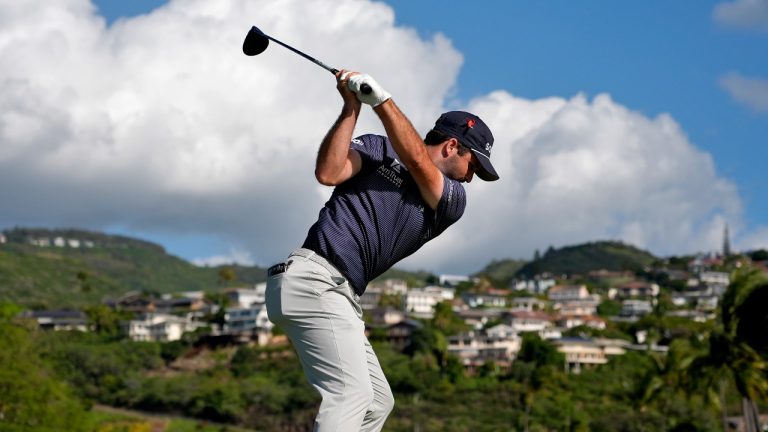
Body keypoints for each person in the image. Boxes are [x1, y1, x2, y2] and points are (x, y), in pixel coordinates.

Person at [265, 69, 498, 432]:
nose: (471, 177)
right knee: (351, 395)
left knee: (376, 402)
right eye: (474, 164)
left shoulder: (453, 200)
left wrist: (382, 100)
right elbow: (329, 173)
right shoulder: (378, 148)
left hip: (339, 294)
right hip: (315, 280)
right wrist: (351, 108)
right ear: (453, 147)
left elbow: (418, 162)